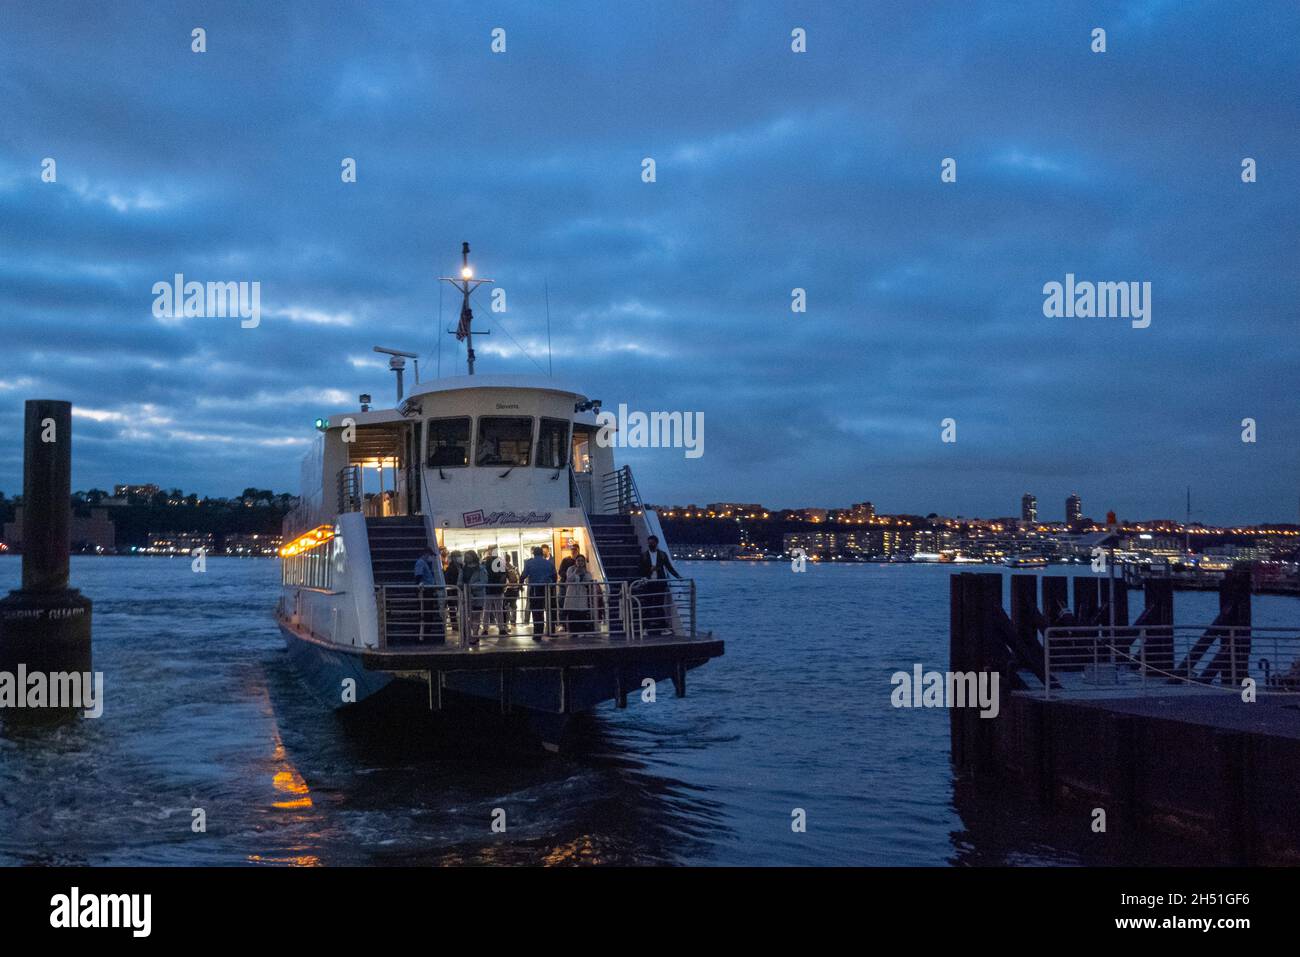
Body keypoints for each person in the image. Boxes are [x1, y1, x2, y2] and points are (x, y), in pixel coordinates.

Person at [637, 535, 682, 635]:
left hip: (659, 584)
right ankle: (645, 628)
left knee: (659, 606)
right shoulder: (644, 556)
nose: (650, 544)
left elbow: (669, 567)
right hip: (648, 584)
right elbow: (640, 570)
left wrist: (678, 576)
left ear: (656, 543)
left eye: (652, 543)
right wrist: (649, 570)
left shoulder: (662, 555)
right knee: (647, 607)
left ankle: (662, 628)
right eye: (649, 542)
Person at [521, 546, 556, 640]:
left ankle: (538, 634)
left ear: (534, 553)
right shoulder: (548, 563)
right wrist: (552, 586)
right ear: (542, 553)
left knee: (537, 613)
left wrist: (520, 585)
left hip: (535, 590)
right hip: (547, 589)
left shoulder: (529, 563)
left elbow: (523, 575)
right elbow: (554, 576)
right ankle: (551, 631)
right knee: (549, 610)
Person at [412, 547, 443, 644]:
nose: (431, 558)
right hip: (425, 592)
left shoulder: (423, 563)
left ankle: (425, 635)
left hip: (427, 590)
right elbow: (418, 576)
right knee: (426, 613)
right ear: (426, 554)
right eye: (430, 555)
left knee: (427, 613)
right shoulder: (421, 563)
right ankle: (424, 636)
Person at [563, 555, 600, 634]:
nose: (580, 562)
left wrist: (583, 574)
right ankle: (573, 632)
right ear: (575, 561)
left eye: (582, 561)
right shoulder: (571, 569)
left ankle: (581, 631)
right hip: (572, 594)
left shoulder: (586, 571)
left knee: (581, 614)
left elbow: (589, 581)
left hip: (582, 595)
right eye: (578, 561)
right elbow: (568, 580)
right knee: (572, 614)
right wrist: (575, 572)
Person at [461, 550, 487, 644]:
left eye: (468, 556)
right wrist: (462, 587)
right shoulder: (463, 569)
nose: (467, 558)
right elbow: (459, 581)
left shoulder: (481, 569)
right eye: (466, 556)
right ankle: (468, 635)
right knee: (465, 616)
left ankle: (474, 635)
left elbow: (484, 581)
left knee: (476, 616)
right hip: (465, 596)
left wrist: (471, 586)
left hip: (477, 596)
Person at [485, 546, 510, 638]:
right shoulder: (500, 561)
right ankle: (501, 628)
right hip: (498, 589)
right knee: (499, 609)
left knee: (487, 610)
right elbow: (504, 575)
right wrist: (502, 585)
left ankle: (485, 629)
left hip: (488, 589)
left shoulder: (486, 562)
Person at [443, 550, 464, 635]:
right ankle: (455, 625)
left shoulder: (462, 567)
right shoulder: (450, 568)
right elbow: (448, 580)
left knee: (461, 608)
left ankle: (462, 623)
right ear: (454, 558)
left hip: (461, 591)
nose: (460, 558)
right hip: (453, 591)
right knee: (453, 608)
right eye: (458, 556)